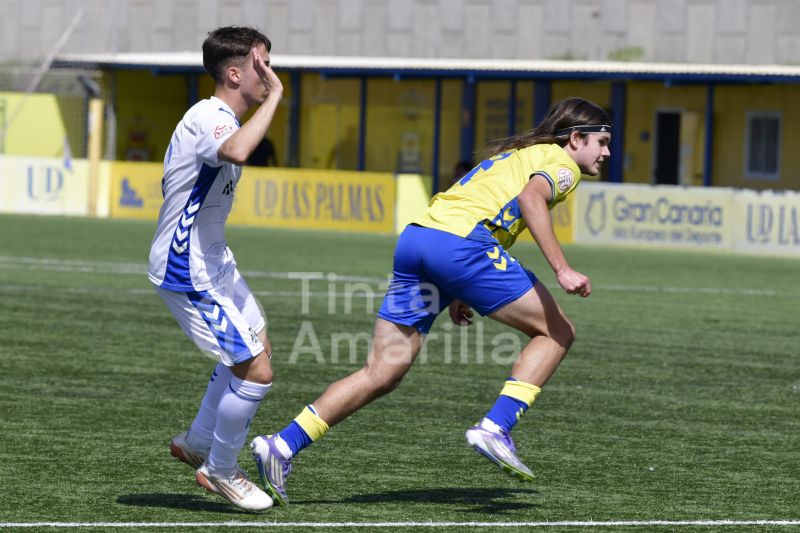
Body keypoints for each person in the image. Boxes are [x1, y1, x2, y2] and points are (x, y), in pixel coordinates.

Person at [251, 97, 612, 507]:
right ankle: (497, 426)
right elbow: (531, 201)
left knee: (382, 371)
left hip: (419, 240)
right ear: (576, 137)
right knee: (557, 332)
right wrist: (562, 269)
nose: (606, 152)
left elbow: (476, 203)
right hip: (461, 246)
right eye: (601, 141)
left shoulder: (520, 154)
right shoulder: (561, 164)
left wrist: (456, 288)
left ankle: (281, 445)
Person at [147, 26, 283, 512]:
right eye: (261, 64)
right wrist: (277, 96)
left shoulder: (220, 116)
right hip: (189, 269)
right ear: (234, 72)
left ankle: (198, 441)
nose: (269, 73)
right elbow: (237, 150)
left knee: (258, 346)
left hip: (213, 260)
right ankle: (221, 469)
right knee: (257, 371)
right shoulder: (210, 117)